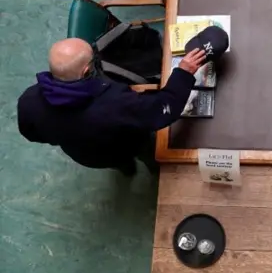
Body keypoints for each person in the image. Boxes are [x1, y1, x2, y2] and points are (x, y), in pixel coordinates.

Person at [17, 38, 206, 176]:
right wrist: (183, 72)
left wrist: (64, 134)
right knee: (149, 155)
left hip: (86, 156)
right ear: (86, 71)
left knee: (119, 164)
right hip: (128, 145)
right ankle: (155, 173)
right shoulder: (114, 103)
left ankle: (126, 171)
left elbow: (31, 133)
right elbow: (164, 108)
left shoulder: (29, 100)